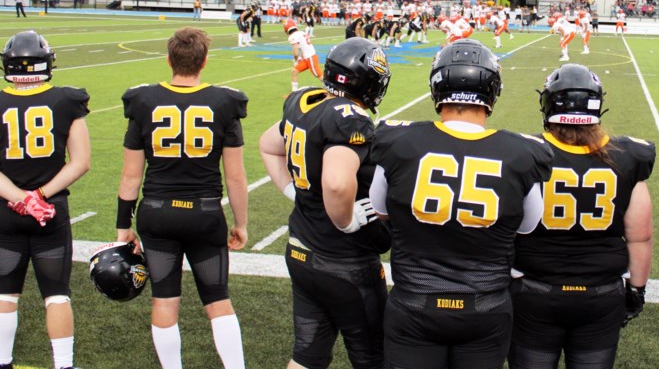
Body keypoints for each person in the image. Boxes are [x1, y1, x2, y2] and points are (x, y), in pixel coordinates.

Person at [369, 39, 553, 369]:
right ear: (493, 90)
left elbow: (380, 208)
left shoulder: (397, 139)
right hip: (485, 305)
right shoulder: (523, 152)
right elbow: (528, 225)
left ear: (437, 85)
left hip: (414, 301)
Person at [116, 27, 248, 369]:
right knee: (218, 300)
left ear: (168, 59)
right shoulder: (224, 102)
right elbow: (234, 176)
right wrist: (241, 223)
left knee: (164, 301)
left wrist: (122, 227)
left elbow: (131, 175)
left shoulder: (143, 101)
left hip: (157, 213)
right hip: (204, 214)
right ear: (204, 61)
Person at [509, 64, 654, 369]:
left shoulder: (524, 152)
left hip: (536, 290)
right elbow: (640, 235)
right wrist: (637, 290)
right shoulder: (627, 155)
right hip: (600, 295)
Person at [259, 38, 392, 369]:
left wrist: (293, 191)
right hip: (343, 261)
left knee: (307, 354)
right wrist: (345, 221)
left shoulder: (303, 101)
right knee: (374, 357)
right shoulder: (351, 118)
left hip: (301, 249)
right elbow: (335, 183)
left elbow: (267, 145)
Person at [0, 31, 90, 369]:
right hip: (51, 212)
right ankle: (63, 365)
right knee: (56, 294)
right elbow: (80, 162)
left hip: (5, 211)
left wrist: (20, 199)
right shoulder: (67, 100)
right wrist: (38, 197)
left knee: (5, 294)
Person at [284, 19, 320, 92]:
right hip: (307, 57)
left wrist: (296, 60)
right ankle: (294, 92)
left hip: (310, 57)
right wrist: (301, 57)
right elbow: (303, 47)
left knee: (319, 75)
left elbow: (295, 53)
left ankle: (334, 89)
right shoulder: (301, 32)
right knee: (294, 71)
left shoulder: (292, 36)